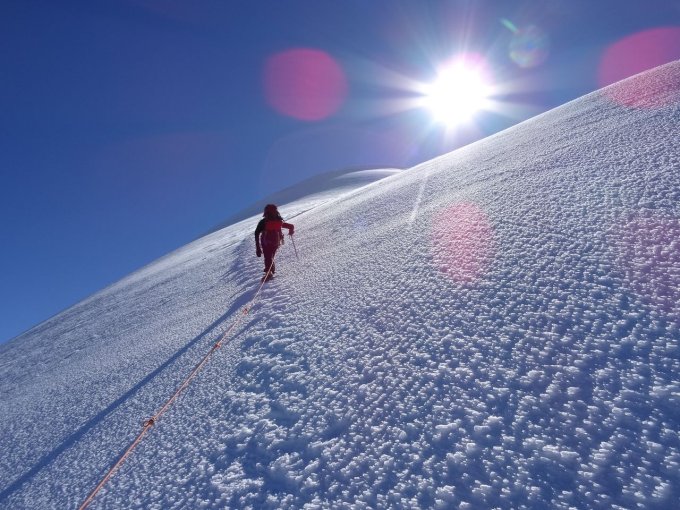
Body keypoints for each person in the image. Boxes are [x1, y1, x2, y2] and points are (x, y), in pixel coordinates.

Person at [254, 204, 294, 281]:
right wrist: (291, 230)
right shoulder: (278, 220)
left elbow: (256, 233)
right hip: (276, 242)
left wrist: (258, 248)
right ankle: (270, 271)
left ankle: (269, 273)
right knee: (270, 256)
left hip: (266, 243)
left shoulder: (263, 222)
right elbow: (290, 226)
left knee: (268, 257)